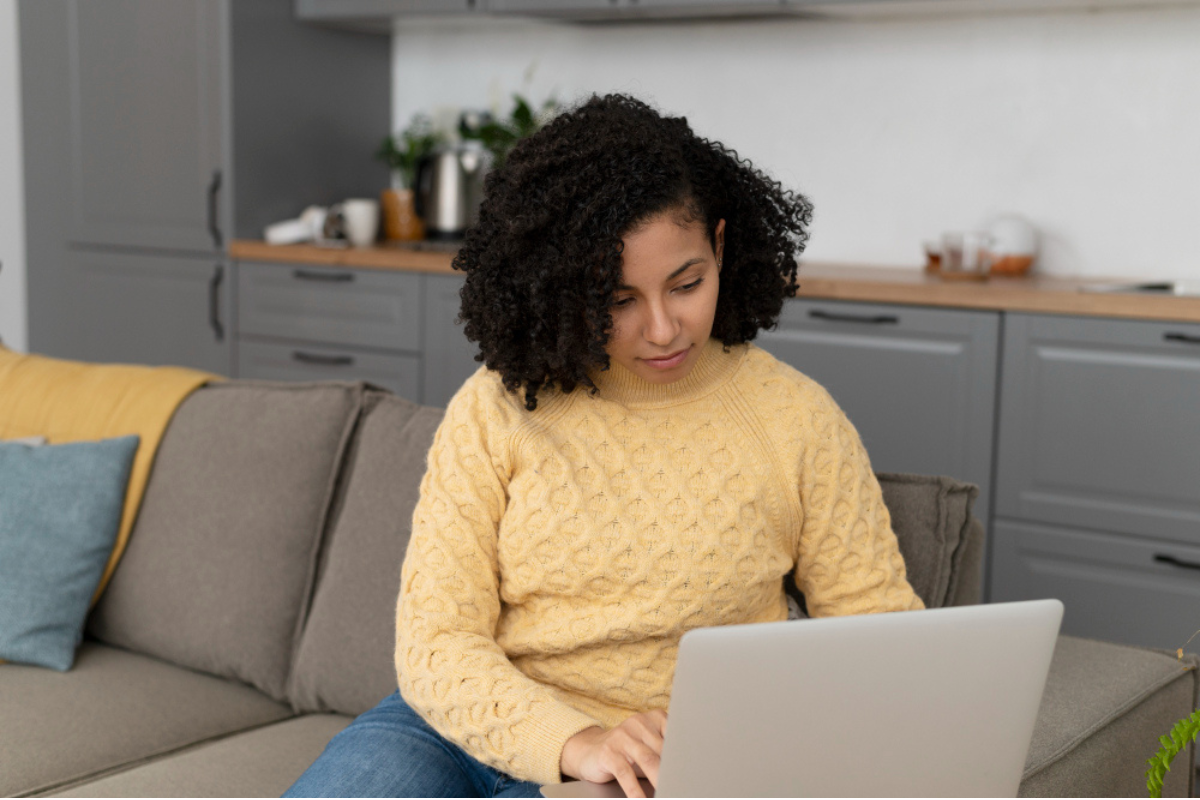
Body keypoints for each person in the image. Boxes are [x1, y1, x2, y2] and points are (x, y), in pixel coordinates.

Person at [284, 93, 923, 799]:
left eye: (686, 284)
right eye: (617, 301)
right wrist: (570, 741)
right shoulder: (497, 406)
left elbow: (877, 636)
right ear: (562, 287)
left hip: (646, 765)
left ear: (718, 244)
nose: (662, 328)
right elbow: (436, 643)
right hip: (455, 730)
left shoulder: (798, 418)